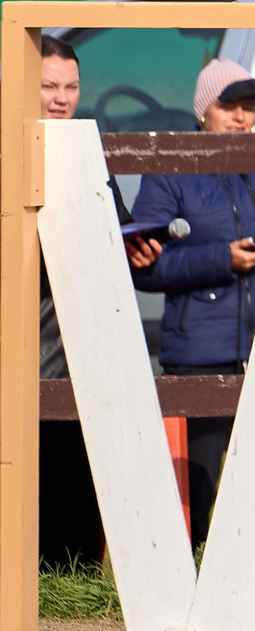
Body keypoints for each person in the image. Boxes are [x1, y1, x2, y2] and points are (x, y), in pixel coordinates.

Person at [130, 58, 255, 543]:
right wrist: (224, 260)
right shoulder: (168, 169)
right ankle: (189, 570)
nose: (241, 117)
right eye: (228, 106)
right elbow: (146, 268)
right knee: (196, 488)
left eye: (250, 106)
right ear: (203, 111)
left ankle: (254, 575)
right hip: (199, 353)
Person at [33, 36, 162, 565]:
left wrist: (134, 247)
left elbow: (119, 221)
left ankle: (76, 576)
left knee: (80, 476)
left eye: (71, 86)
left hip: (84, 343)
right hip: (31, 338)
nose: (62, 98)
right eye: (48, 86)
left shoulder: (89, 148)